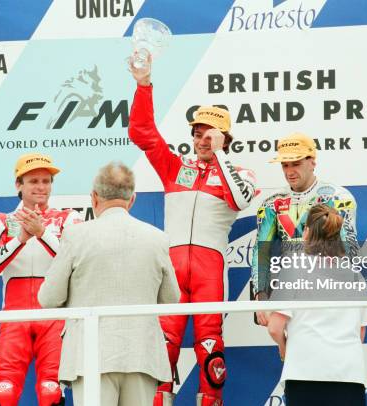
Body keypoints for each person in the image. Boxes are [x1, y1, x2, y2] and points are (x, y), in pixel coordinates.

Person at [128, 57, 257, 406]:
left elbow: (241, 200)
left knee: (210, 342)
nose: (202, 140)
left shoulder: (240, 173)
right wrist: (143, 85)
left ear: (225, 138)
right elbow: (142, 134)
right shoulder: (175, 168)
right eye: (198, 134)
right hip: (170, 267)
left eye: (211, 135)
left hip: (209, 268)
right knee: (163, 345)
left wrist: (220, 157)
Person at [38, 162, 179, 406]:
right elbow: (171, 298)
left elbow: (48, 298)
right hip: (142, 356)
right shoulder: (157, 238)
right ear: (132, 199)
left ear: (94, 197)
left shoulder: (75, 236)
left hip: (90, 356)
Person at [0, 153, 83, 406]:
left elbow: (79, 262)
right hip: (15, 315)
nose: (41, 187)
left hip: (54, 315)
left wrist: (42, 233)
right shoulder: (1, 220)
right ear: (18, 185)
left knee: (50, 391)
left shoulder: (69, 218)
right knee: (4, 392)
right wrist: (20, 239)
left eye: (46, 181)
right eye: (34, 181)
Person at [267, 204, 367, 406]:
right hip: (349, 375)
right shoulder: (354, 274)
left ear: (306, 233)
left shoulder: (293, 268)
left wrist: (284, 349)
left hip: (305, 373)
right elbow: (360, 332)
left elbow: (274, 327)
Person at [251, 132, 359, 326]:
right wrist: (261, 296)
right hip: (288, 288)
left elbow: (348, 249)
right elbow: (262, 251)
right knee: (293, 350)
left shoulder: (338, 197)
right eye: (285, 165)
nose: (290, 171)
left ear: (312, 162)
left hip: (328, 288)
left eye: (296, 163)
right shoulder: (271, 203)